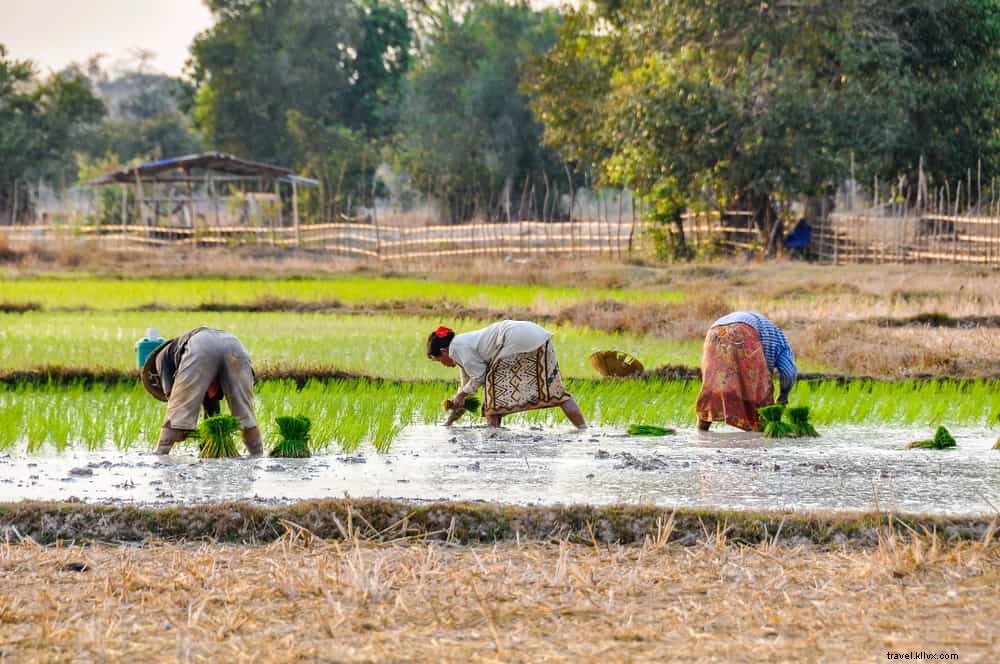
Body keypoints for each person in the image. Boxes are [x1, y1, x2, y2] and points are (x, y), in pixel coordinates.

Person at [426, 320, 586, 429]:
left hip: (514, 340)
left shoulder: (457, 348)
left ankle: (493, 438)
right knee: (556, 392)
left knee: (492, 398)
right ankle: (582, 429)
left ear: (444, 351)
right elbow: (466, 391)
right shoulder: (462, 351)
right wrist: (449, 422)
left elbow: (480, 376)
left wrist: (460, 395)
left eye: (439, 360)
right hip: (538, 336)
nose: (443, 364)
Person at [141, 327, 262, 455]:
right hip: (234, 345)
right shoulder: (178, 351)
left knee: (177, 415)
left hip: (201, 345)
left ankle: (160, 454)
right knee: (245, 415)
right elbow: (212, 410)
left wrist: (182, 428)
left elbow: (174, 398)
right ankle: (258, 455)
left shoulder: (160, 358)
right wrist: (209, 436)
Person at [695, 311, 797, 432]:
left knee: (713, 386)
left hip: (714, 330)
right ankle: (760, 434)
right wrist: (783, 397)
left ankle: (701, 431)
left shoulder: (772, 335)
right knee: (760, 392)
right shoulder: (784, 346)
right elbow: (789, 372)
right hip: (744, 330)